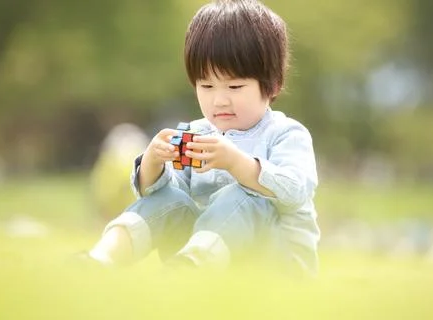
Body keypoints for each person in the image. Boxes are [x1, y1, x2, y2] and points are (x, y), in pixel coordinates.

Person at [86, 0, 320, 276]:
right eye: (206, 86)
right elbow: (169, 199)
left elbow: (295, 192)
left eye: (234, 86)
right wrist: (153, 163)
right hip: (217, 262)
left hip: (276, 265)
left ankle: (191, 271)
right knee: (168, 198)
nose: (219, 100)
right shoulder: (195, 133)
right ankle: (99, 260)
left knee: (244, 193)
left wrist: (236, 163)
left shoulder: (286, 134)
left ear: (273, 85)